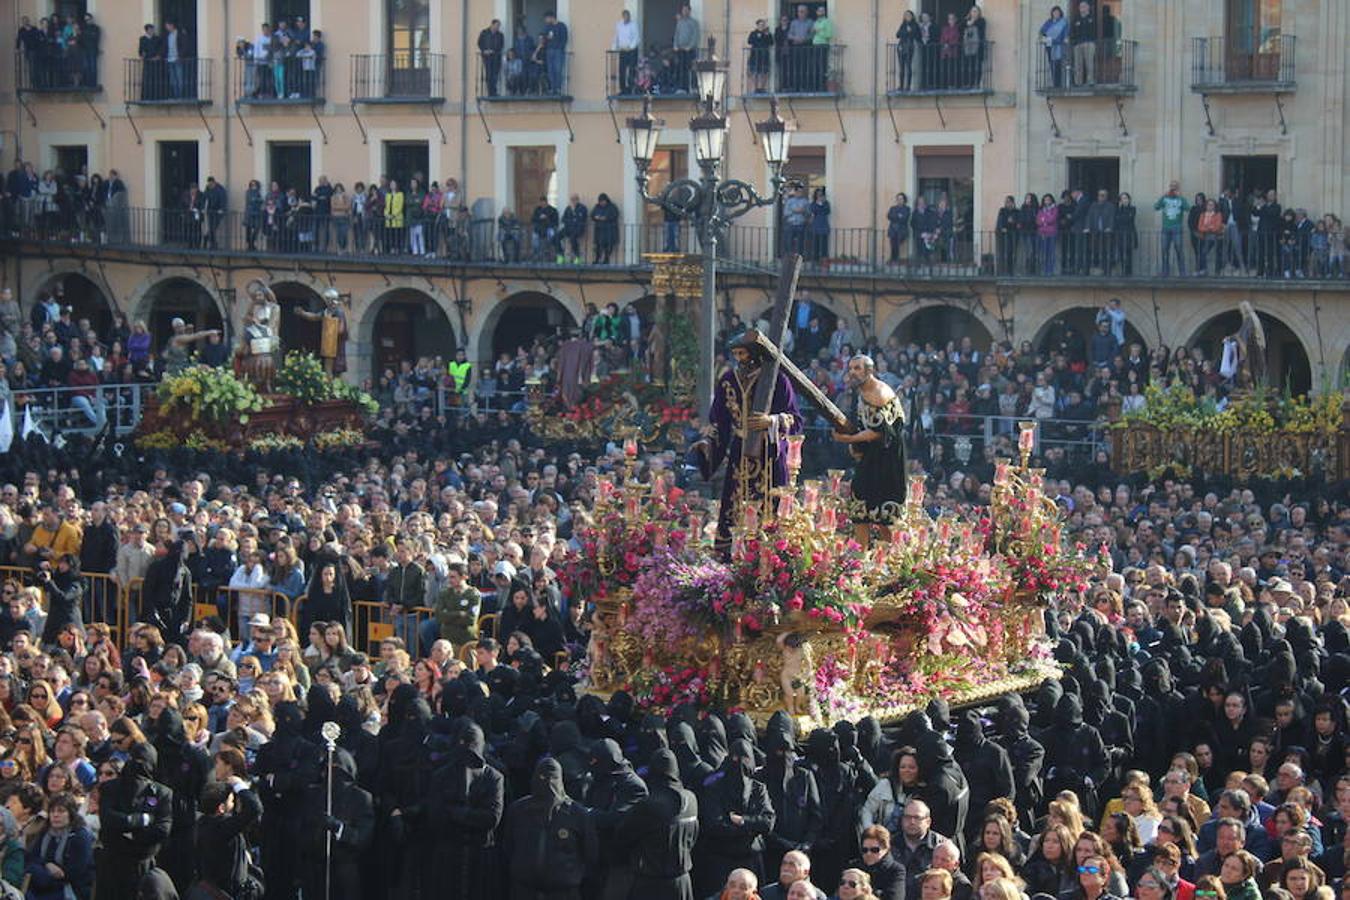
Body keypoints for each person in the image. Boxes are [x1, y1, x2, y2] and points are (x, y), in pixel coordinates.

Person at [689, 333, 803, 549]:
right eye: (735, 354)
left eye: (742, 353)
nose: (738, 358)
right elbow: (719, 423)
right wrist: (707, 444)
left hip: (770, 454)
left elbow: (796, 420)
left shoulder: (777, 379)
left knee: (771, 507)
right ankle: (731, 552)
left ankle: (772, 554)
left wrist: (771, 421)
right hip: (740, 452)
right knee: (734, 506)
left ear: (754, 353)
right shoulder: (728, 381)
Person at [833, 355, 907, 545]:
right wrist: (856, 444)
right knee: (860, 506)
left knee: (885, 516)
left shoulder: (878, 393)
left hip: (888, 459)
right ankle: (861, 555)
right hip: (871, 457)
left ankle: (893, 559)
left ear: (869, 370)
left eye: (857, 368)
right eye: (850, 368)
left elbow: (879, 432)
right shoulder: (861, 392)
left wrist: (849, 439)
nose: (852, 373)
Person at [95, 723, 173, 900]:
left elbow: (162, 830)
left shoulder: (162, 793)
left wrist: (132, 835)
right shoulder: (111, 788)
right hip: (112, 862)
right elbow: (108, 820)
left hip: (142, 865)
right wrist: (140, 821)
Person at [1155, 182, 1190, 276]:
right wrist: (1162, 196)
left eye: (1175, 187)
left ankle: (1182, 272)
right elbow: (1156, 207)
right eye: (1171, 186)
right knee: (1164, 250)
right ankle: (1165, 271)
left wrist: (1181, 197)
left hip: (1177, 228)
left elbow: (1188, 208)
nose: (1173, 189)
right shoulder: (1165, 198)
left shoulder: (1181, 199)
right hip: (1165, 228)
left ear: (1178, 188)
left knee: (1179, 249)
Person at [478, 19, 504, 96]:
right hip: (487, 57)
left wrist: (493, 51)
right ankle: (490, 92)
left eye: (499, 26)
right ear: (492, 25)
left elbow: (501, 45)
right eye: (497, 25)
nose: (498, 27)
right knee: (489, 74)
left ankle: (494, 91)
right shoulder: (484, 33)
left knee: (495, 75)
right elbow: (479, 43)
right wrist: (484, 50)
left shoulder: (500, 35)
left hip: (496, 57)